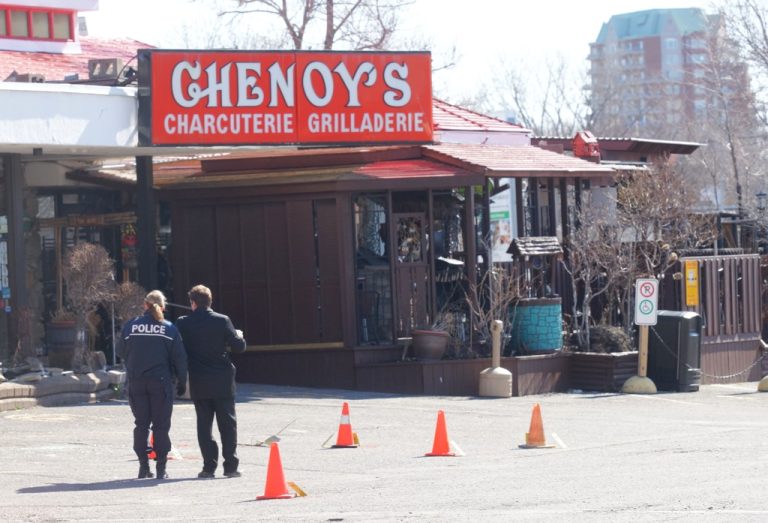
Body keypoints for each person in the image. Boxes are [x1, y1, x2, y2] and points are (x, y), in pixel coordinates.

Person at [176, 284, 247, 479]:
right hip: (222, 380)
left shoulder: (183, 323)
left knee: (204, 426)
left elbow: (178, 350)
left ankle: (208, 467)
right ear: (210, 301)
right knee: (228, 425)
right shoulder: (222, 320)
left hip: (199, 380)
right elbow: (239, 347)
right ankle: (231, 466)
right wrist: (239, 336)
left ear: (192, 303)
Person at [117, 290, 187, 480]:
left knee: (141, 425)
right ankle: (161, 469)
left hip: (137, 382)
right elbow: (179, 358)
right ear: (162, 307)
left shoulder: (130, 326)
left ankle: (143, 467)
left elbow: (120, 351)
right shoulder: (169, 328)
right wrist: (182, 381)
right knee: (161, 426)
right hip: (161, 383)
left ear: (145, 305)